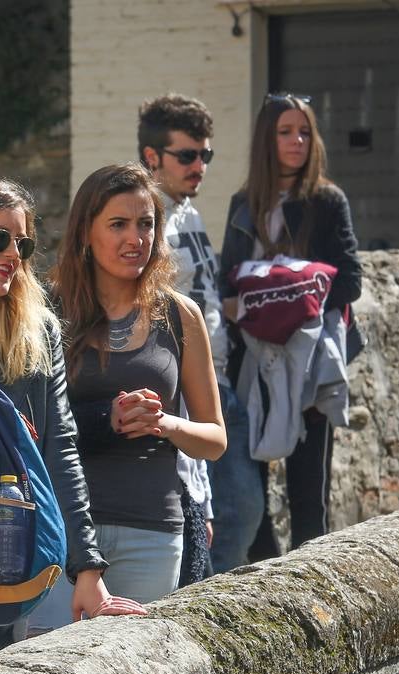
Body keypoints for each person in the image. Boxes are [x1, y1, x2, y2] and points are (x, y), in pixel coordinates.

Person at [0, 175, 144, 642]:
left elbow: (59, 451)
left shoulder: (37, 333)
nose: (13, 255)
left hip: (5, 550)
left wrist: (87, 569)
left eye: (23, 243)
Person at [48, 163, 226, 605]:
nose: (136, 238)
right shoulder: (47, 311)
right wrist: (103, 417)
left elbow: (215, 439)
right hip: (62, 531)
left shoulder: (181, 315)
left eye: (146, 224)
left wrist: (165, 424)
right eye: (118, 225)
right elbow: (28, 422)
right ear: (86, 233)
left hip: (152, 534)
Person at [218, 94, 362, 556]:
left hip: (310, 358)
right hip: (252, 361)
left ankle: (311, 587)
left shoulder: (326, 200)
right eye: (285, 132)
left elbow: (351, 279)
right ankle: (268, 582)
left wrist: (294, 303)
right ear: (267, 138)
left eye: (304, 131)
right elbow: (226, 283)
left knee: (308, 493)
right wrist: (251, 308)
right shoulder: (244, 204)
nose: (297, 141)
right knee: (251, 490)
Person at [136, 94, 234, 577]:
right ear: (152, 157)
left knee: (239, 515)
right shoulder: (148, 231)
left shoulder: (190, 214)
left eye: (205, 156)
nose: (200, 166)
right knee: (240, 512)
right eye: (188, 156)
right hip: (182, 399)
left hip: (222, 383)